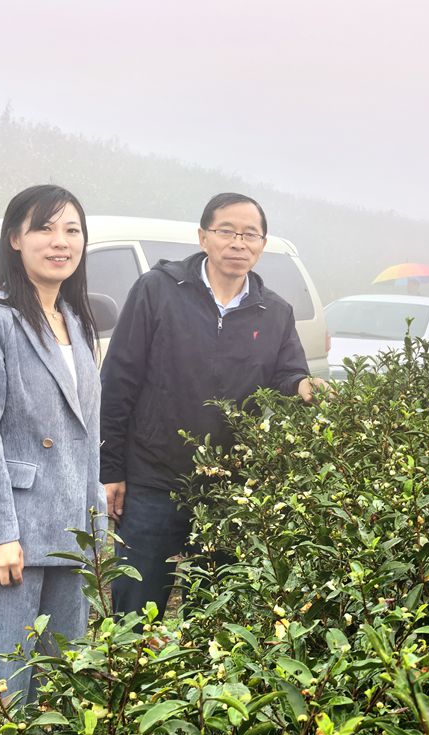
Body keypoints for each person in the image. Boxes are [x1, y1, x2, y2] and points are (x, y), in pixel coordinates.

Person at [0, 185, 103, 735]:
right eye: (45, 229)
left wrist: (94, 533)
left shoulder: (77, 322)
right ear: (14, 239)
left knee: (60, 690)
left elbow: (86, 439)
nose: (61, 242)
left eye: (72, 230)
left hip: (65, 535)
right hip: (5, 536)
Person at [100, 192, 321, 617]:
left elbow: (286, 375)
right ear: (203, 237)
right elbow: (118, 379)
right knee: (133, 615)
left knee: (217, 615)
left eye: (250, 234)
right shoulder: (157, 291)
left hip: (229, 487)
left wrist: (303, 387)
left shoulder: (274, 312)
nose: (239, 242)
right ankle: (128, 681)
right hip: (152, 479)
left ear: (262, 244)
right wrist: (110, 468)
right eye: (227, 231)